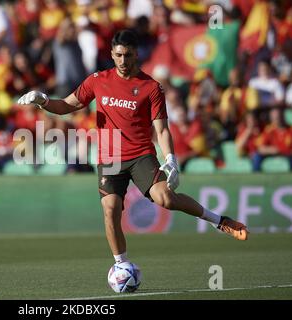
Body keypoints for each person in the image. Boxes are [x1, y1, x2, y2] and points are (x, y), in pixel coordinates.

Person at [17, 29, 248, 267]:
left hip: (140, 155)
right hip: (110, 157)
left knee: (166, 199)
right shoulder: (98, 80)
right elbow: (66, 105)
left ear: (136, 54)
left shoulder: (151, 87)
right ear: (112, 54)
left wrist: (170, 158)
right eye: (118, 55)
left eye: (127, 55)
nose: (123, 61)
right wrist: (43, 100)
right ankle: (122, 265)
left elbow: (162, 129)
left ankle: (218, 220)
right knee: (110, 209)